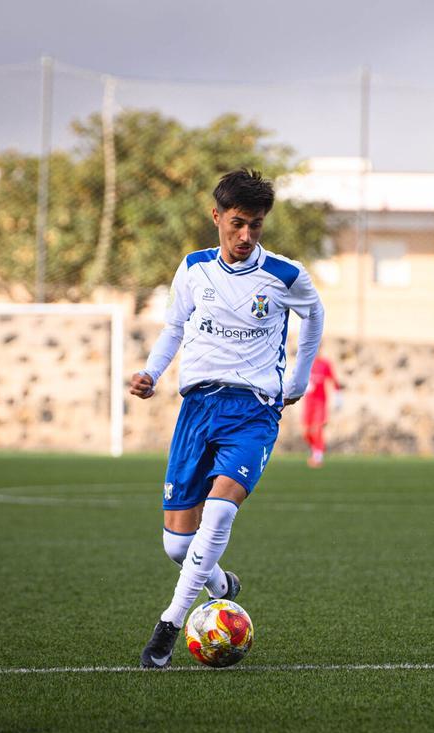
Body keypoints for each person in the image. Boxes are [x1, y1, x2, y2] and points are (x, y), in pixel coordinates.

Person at [130, 169, 324, 669]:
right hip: (197, 409)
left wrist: (297, 380)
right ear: (216, 217)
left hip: (253, 412)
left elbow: (316, 316)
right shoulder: (194, 268)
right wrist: (151, 373)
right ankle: (220, 584)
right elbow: (173, 327)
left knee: (218, 514)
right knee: (177, 545)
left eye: (256, 226)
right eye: (237, 224)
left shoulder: (285, 276)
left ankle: (169, 625)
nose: (245, 236)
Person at [302, 345, 342, 468]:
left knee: (318, 428)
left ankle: (318, 456)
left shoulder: (325, 364)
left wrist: (338, 396)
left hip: (320, 401)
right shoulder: (305, 363)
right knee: (306, 431)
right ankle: (314, 449)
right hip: (308, 402)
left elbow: (334, 380)